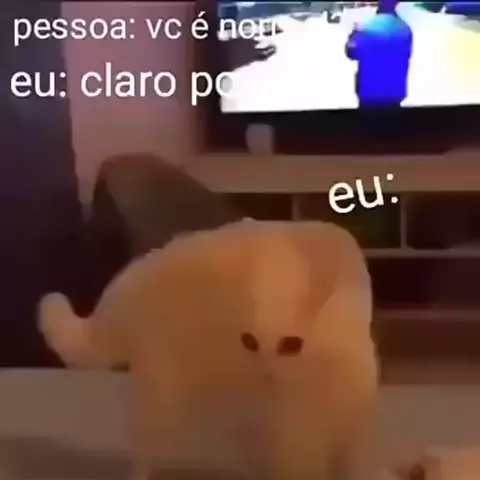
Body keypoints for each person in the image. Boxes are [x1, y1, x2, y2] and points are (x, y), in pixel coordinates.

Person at [345, 0, 413, 108]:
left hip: (369, 90)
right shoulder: (405, 28)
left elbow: (351, 53)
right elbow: (406, 56)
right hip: (394, 91)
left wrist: (352, 36)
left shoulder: (364, 26)